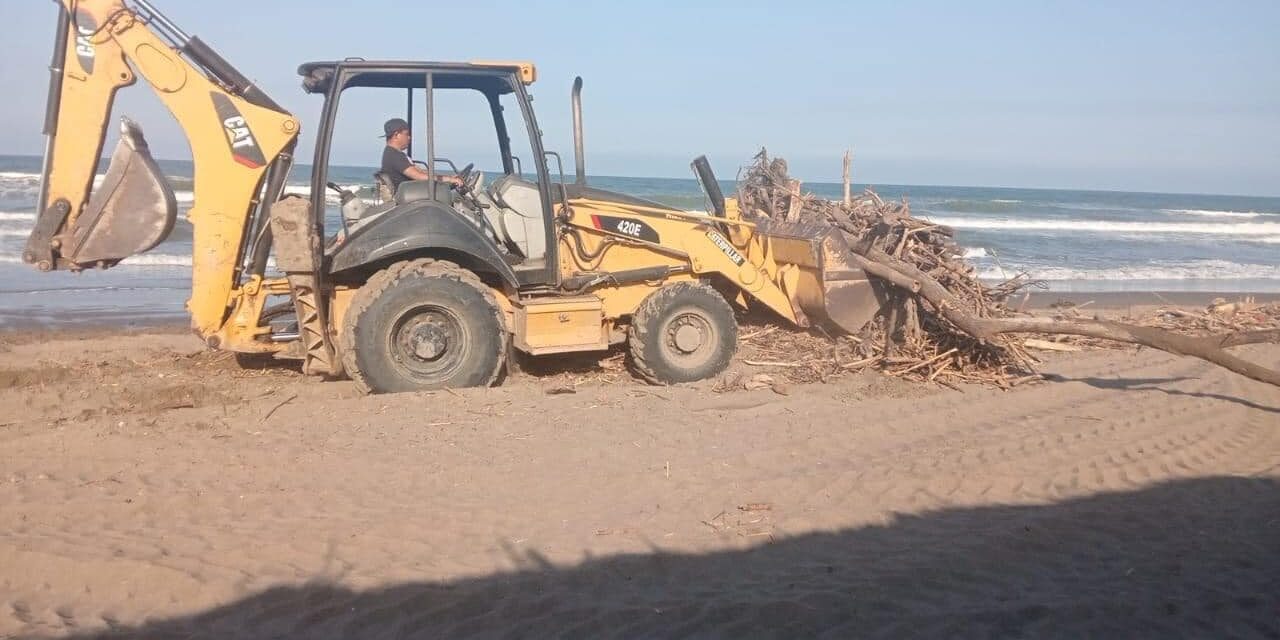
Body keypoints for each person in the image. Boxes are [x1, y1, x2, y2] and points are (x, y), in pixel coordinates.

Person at [379, 117, 462, 193]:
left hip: (411, 191)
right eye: (406, 134)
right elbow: (419, 176)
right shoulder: (394, 155)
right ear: (396, 135)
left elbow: (420, 171)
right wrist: (449, 180)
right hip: (409, 194)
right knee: (444, 194)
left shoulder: (396, 154)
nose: (409, 137)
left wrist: (448, 177)